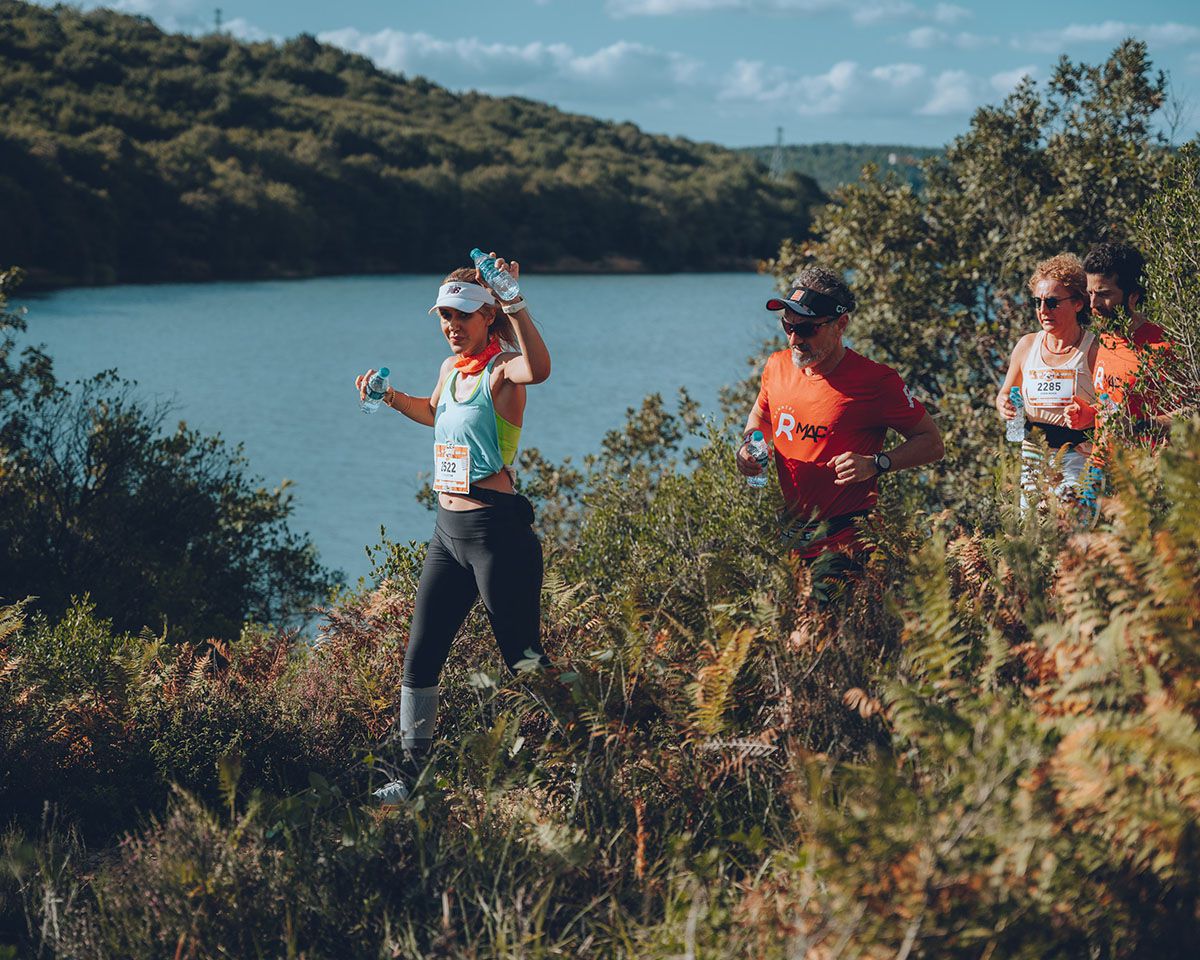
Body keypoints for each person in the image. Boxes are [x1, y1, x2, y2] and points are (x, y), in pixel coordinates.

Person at [355, 253, 550, 798]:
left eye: (463, 316)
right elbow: (432, 410)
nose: (452, 326)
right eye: (445, 316)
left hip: (496, 535)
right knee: (421, 657)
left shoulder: (502, 369)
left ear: (488, 316)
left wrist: (517, 302)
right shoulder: (450, 371)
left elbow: (540, 368)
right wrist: (389, 398)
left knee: (523, 660)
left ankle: (588, 744)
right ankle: (410, 780)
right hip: (448, 534)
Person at [736, 266, 944, 574]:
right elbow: (761, 417)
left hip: (848, 535)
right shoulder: (777, 366)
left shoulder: (876, 381)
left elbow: (932, 443)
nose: (794, 339)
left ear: (840, 324)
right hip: (792, 531)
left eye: (806, 329)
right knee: (798, 620)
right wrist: (749, 447)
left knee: (832, 619)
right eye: (787, 326)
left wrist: (877, 463)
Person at [995, 253, 1099, 500]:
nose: (1042, 311)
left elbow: (1114, 407)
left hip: (1078, 455)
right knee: (1034, 530)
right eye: (1037, 302)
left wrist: (1089, 413)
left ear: (1077, 303)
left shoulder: (1094, 349)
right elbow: (1007, 392)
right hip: (1033, 454)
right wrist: (1004, 404)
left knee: (1069, 528)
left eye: (1052, 302)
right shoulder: (1027, 345)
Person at [1076, 241, 1171, 437]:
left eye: (1103, 294)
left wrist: (1139, 427)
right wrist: (1089, 414)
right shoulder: (1104, 341)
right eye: (1090, 293)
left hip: (1143, 465)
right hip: (1100, 465)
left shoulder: (1164, 347)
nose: (1093, 303)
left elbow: (1191, 413)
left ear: (1133, 296)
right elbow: (1112, 405)